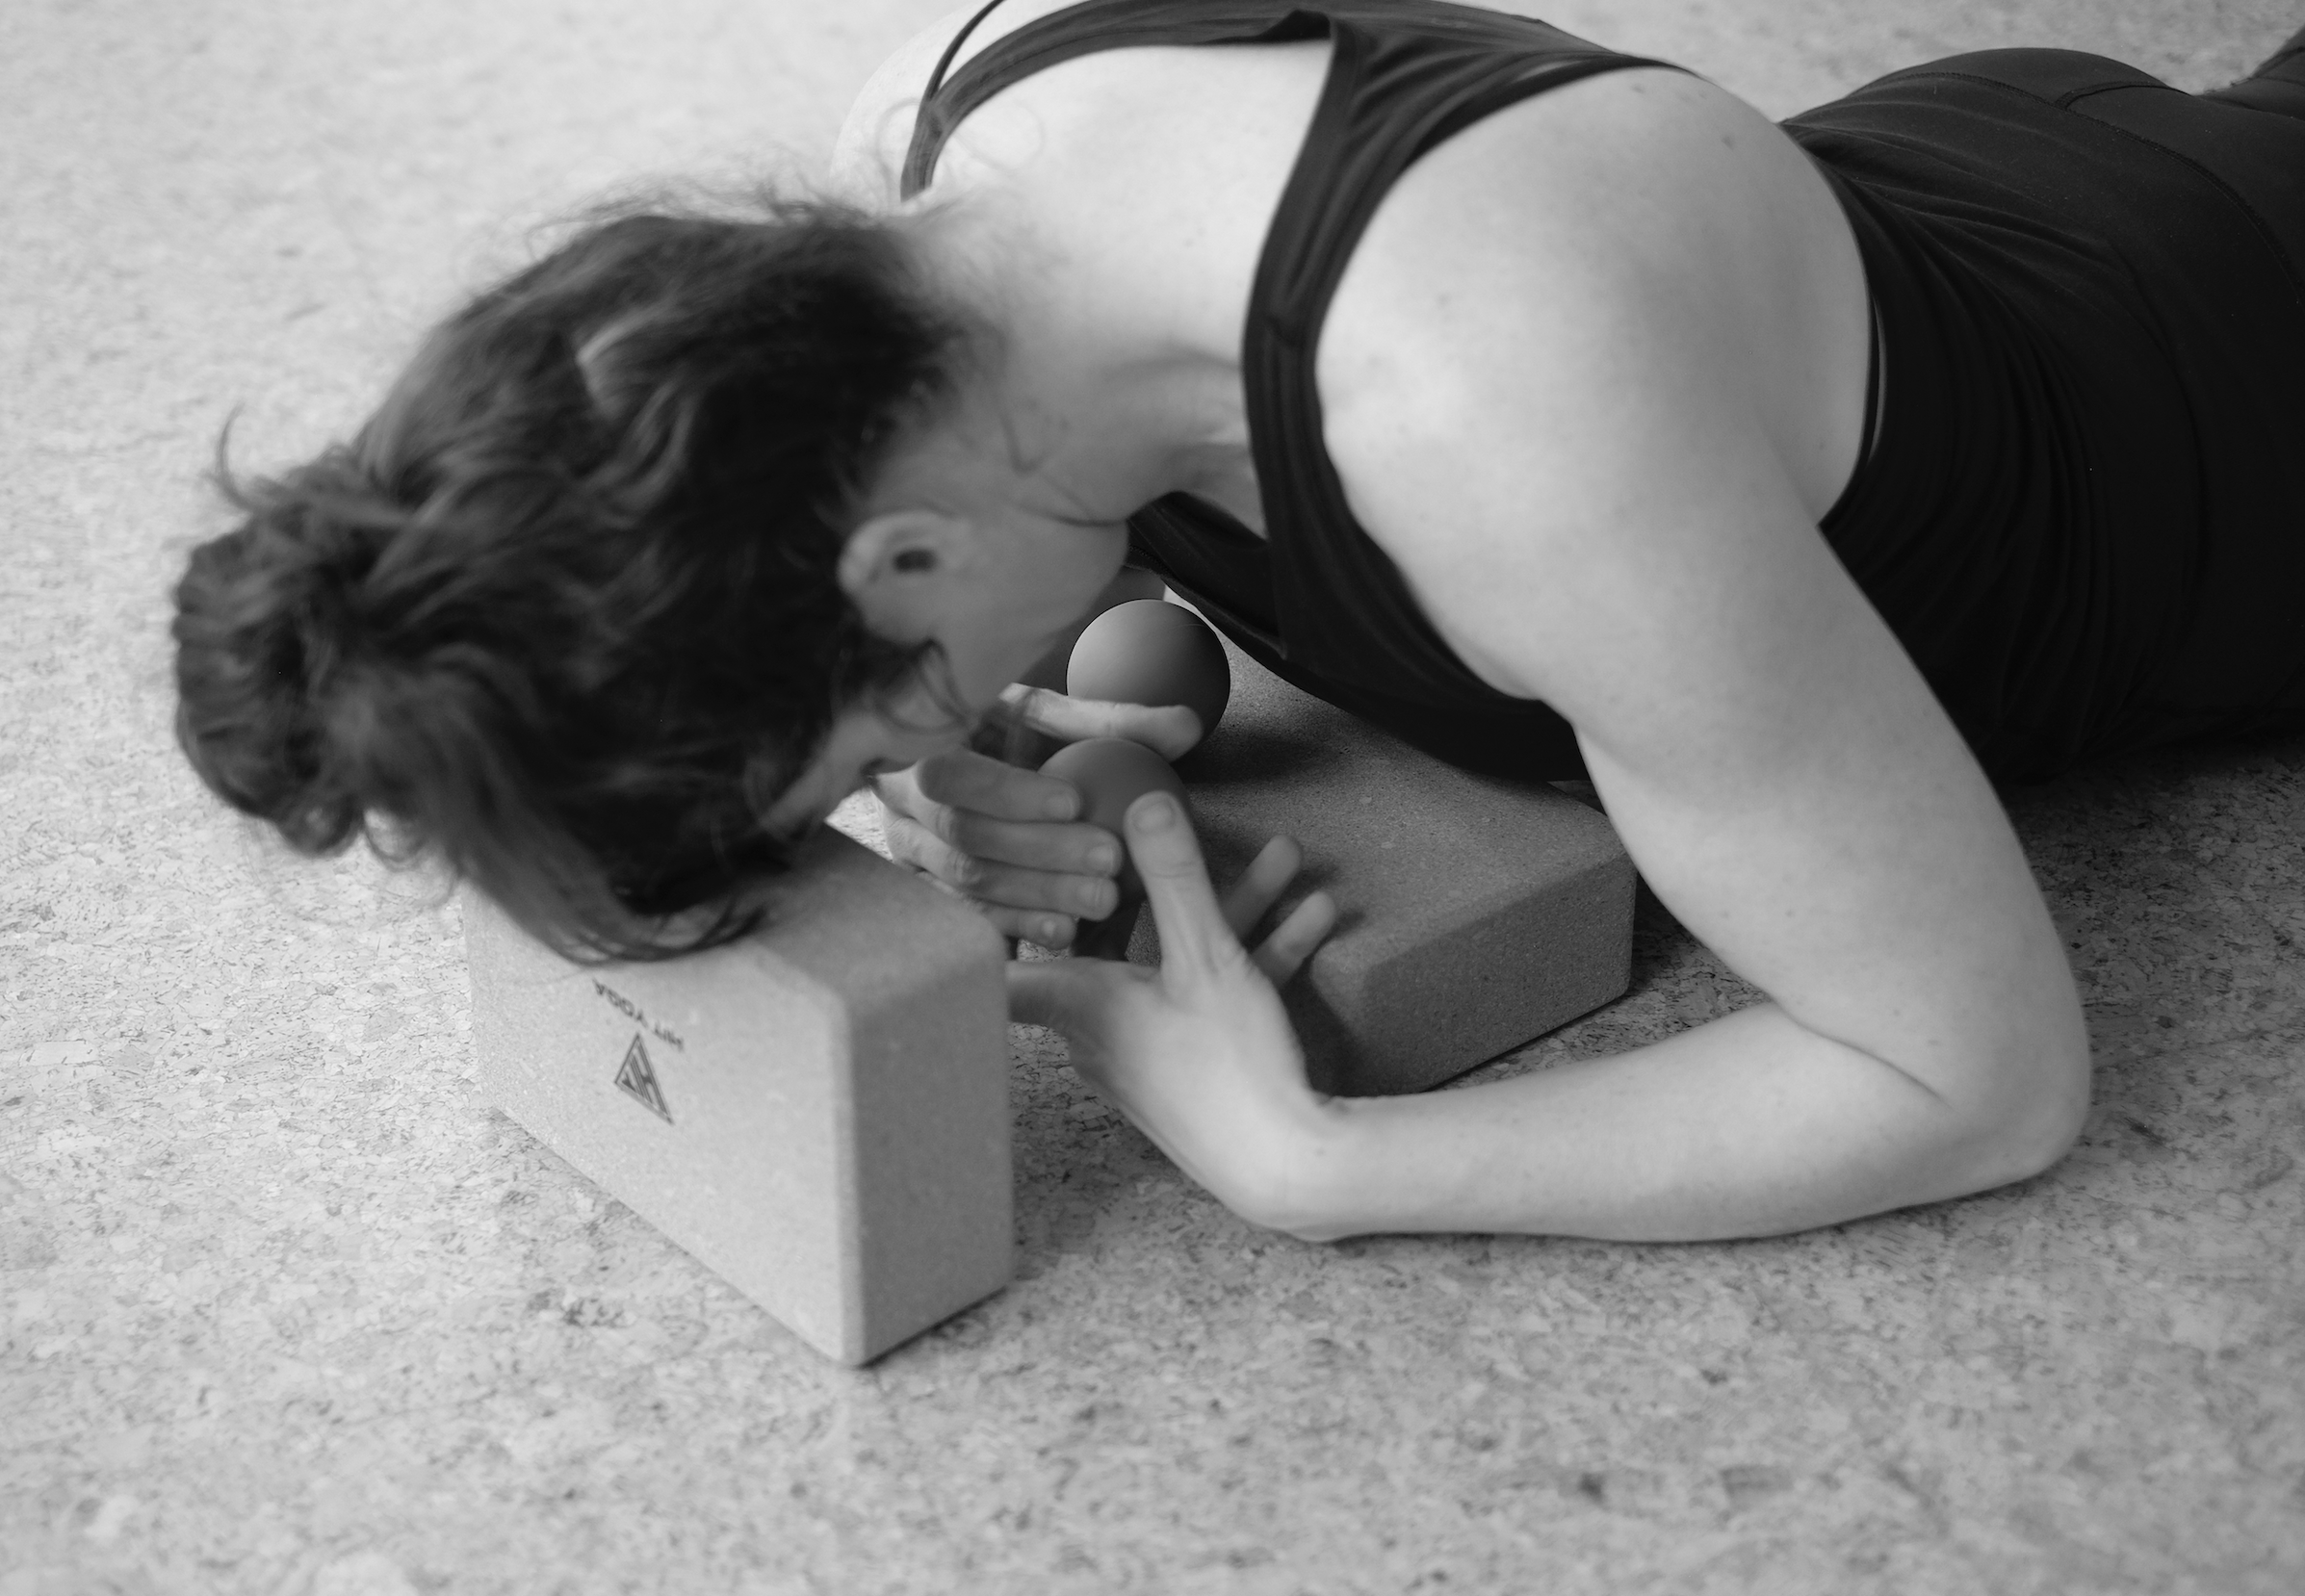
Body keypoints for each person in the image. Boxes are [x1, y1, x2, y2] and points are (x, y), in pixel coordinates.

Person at [171, 1, 2305, 1244]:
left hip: (2239, 411)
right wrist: (1049, 716)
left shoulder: (1497, 413)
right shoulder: (950, 125)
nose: (931, 764)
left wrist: (1312, 1159)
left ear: (896, 569)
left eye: (886, 741)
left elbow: (1971, 1073)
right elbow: (1149, 523)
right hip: (2003, 184)